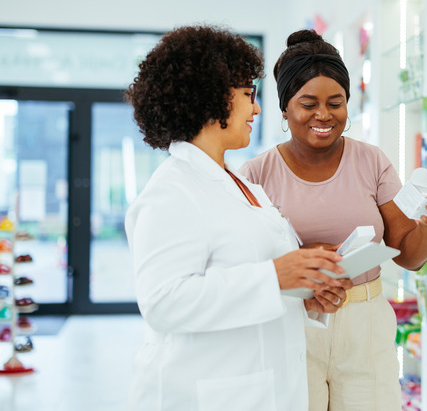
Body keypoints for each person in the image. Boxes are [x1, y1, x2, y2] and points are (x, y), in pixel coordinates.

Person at [124, 25, 353, 411]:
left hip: (264, 389)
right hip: (205, 395)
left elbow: (254, 275)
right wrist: (277, 276)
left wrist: (307, 293)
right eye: (248, 95)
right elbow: (163, 303)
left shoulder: (238, 183)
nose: (257, 108)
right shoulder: (172, 191)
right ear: (212, 98)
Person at [239, 29, 427, 411]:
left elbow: (410, 257)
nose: (324, 115)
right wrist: (307, 260)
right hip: (292, 320)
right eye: (308, 104)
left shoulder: (371, 161)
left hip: (364, 321)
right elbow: (245, 265)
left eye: (335, 103)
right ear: (285, 108)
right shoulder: (256, 174)